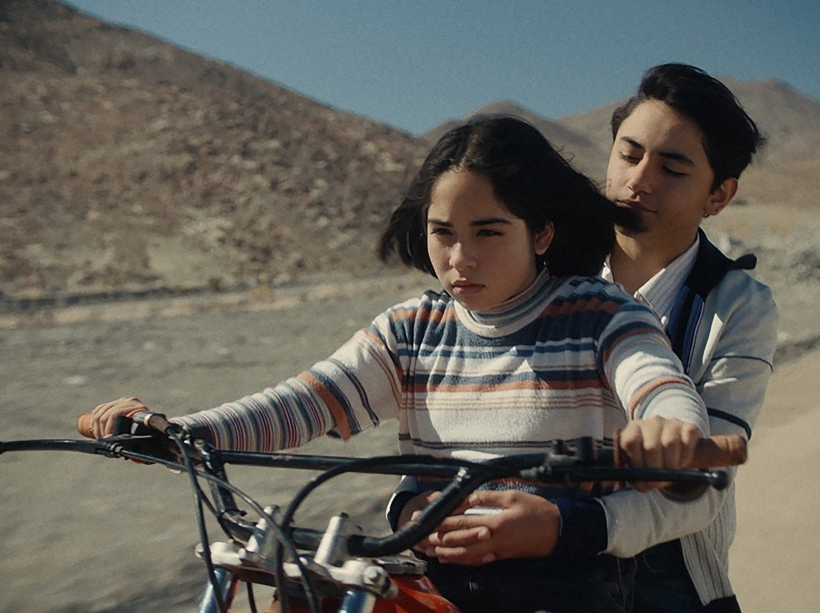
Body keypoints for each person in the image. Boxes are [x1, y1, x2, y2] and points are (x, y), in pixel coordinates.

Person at [89, 115, 714, 613]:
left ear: (541, 234)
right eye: (443, 232)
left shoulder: (600, 314)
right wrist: (179, 432)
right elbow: (307, 402)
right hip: (433, 578)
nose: (460, 257)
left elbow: (657, 383)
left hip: (566, 585)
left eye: (488, 232)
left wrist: (670, 428)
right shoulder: (412, 328)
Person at [398, 66, 779, 613]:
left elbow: (703, 479)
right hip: (519, 566)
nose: (639, 180)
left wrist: (570, 526)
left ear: (719, 194)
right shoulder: (531, 269)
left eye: (672, 168)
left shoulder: (738, 306)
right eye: (629, 155)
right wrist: (409, 502)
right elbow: (455, 409)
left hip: (668, 576)